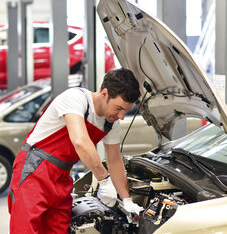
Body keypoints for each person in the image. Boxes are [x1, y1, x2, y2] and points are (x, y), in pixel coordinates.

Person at [8, 68, 143, 233]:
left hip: (62, 177)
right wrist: (104, 180)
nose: (121, 116)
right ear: (105, 93)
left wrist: (127, 199)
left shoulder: (111, 122)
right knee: (25, 229)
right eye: (118, 108)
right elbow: (80, 141)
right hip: (36, 170)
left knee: (59, 230)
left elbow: (114, 159)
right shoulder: (76, 98)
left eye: (125, 111)